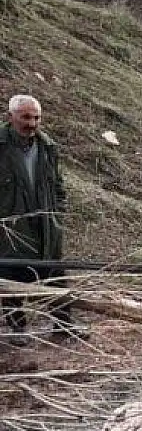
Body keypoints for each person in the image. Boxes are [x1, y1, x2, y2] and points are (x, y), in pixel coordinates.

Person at [0, 94, 88, 345]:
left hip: (47, 226)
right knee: (11, 278)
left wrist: (57, 211)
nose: (32, 123)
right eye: (26, 117)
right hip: (11, 228)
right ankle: (18, 329)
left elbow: (58, 185)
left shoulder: (47, 147)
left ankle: (63, 325)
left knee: (55, 277)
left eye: (36, 117)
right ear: (11, 116)